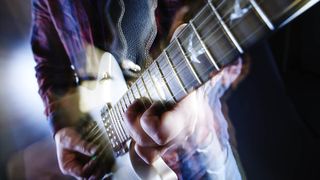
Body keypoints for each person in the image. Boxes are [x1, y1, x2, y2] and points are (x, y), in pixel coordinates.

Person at [31, 0, 244, 179]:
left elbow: (218, 26)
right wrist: (61, 126)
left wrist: (199, 91)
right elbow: (48, 64)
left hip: (196, 154)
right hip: (111, 159)